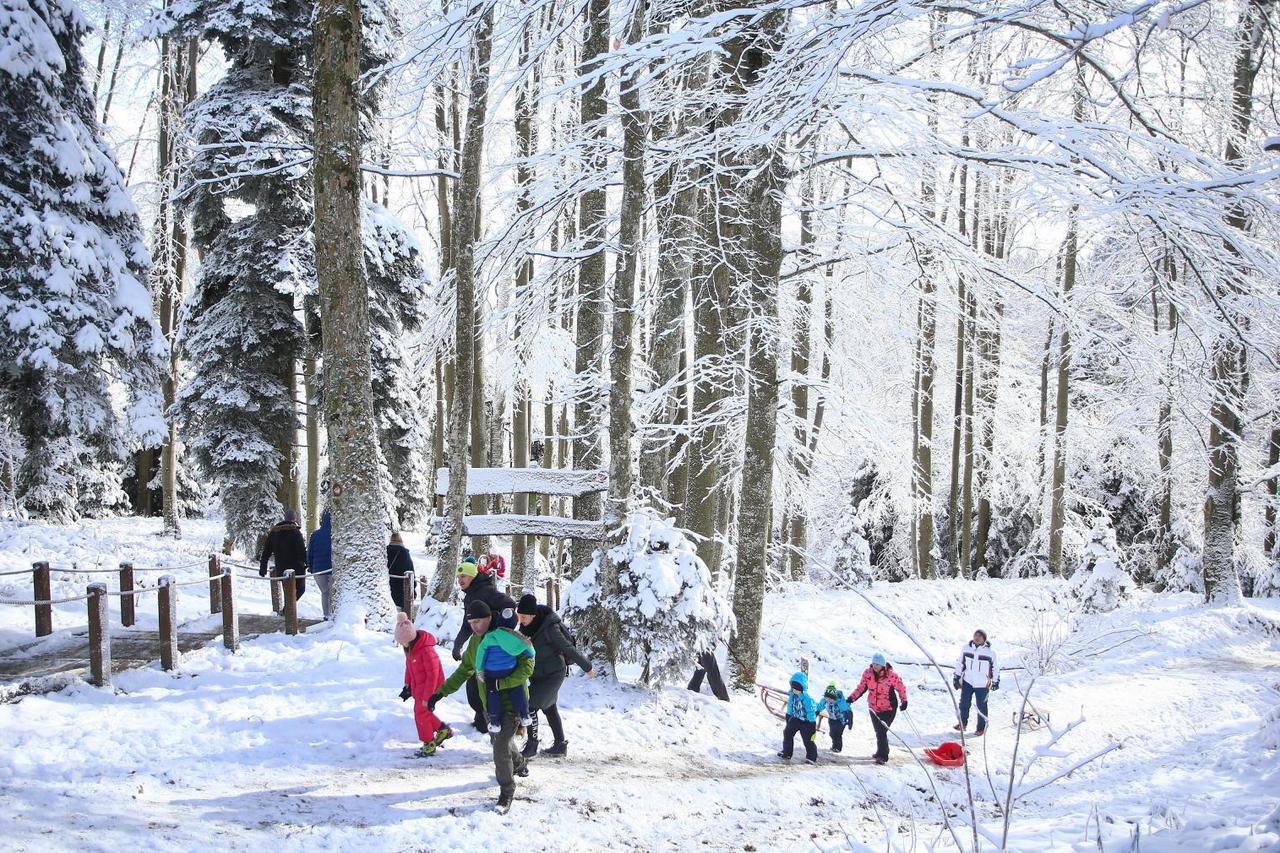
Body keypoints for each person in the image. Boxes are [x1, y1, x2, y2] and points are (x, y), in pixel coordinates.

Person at [430, 598, 534, 814]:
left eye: (479, 621)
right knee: (500, 741)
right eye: (471, 622)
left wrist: (502, 683)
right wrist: (440, 693)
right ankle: (521, 762)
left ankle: (507, 791)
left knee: (499, 748)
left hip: (513, 701)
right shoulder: (476, 644)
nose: (475, 626)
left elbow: (528, 665)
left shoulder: (507, 635)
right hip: (490, 704)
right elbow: (464, 670)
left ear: (489, 618)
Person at [515, 593, 595, 758]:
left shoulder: (550, 627)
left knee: (529, 706)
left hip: (553, 674)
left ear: (533, 614)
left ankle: (532, 745)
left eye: (523, 616)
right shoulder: (525, 627)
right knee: (549, 708)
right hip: (537, 674)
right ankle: (560, 745)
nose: (520, 620)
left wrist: (587, 667)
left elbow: (567, 648)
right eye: (519, 616)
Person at [453, 560, 509, 730]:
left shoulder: (485, 591)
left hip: (493, 646)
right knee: (475, 680)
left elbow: (509, 604)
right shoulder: (471, 594)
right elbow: (467, 623)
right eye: (458, 577)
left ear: (472, 576)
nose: (460, 580)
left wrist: (496, 629)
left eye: (464, 576)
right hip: (480, 643)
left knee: (484, 681)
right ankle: (481, 718)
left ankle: (492, 720)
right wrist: (458, 644)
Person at [395, 612, 452, 757]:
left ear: (409, 639)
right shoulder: (410, 649)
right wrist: (407, 685)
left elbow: (433, 675)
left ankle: (429, 743)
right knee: (423, 712)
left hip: (431, 687)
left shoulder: (426, 650)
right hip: (419, 685)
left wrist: (428, 696)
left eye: (403, 642)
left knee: (420, 713)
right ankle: (442, 729)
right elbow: (409, 667)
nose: (402, 645)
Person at [476, 603, 535, 733]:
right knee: (517, 689)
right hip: (509, 669)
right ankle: (524, 715)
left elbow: (481, 653)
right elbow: (530, 653)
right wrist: (528, 647)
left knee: (492, 695)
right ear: (514, 623)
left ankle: (495, 722)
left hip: (492, 672)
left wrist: (479, 669)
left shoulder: (490, 636)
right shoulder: (516, 637)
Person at [848, 652, 908, 765]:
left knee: (882, 731)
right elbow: (861, 687)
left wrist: (904, 700)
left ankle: (883, 756)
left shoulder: (891, 676)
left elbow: (901, 688)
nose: (875, 666)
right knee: (879, 731)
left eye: (877, 664)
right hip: (873, 708)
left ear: (883, 665)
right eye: (873, 663)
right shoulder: (868, 674)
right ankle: (880, 751)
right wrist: (852, 698)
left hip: (889, 708)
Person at [953, 629, 999, 737]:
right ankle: (962, 724)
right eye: (975, 635)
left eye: (979, 636)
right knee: (964, 704)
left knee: (981, 706)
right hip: (968, 681)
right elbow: (960, 663)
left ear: (984, 639)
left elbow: (995, 668)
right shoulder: (966, 649)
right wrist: (956, 677)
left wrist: (996, 681)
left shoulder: (990, 653)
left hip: (982, 684)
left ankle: (980, 728)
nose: (977, 638)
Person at [259, 509, 307, 599]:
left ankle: (286, 610)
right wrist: (307, 563)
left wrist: (263, 567)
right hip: (297, 569)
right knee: (300, 590)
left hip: (281, 568)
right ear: (294, 519)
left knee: (288, 591)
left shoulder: (274, 533)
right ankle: (286, 611)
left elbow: (266, 551)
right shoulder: (295, 532)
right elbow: (302, 550)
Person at [777, 671, 819, 764]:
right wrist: (788, 715)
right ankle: (787, 752)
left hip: (807, 722)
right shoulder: (792, 695)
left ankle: (811, 757)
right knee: (787, 733)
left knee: (808, 740)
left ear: (802, 688)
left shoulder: (808, 699)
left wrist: (812, 723)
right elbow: (790, 706)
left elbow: (811, 712)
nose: (795, 690)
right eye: (794, 688)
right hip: (796, 719)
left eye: (798, 689)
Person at [307, 511, 333, 618]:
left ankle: (326, 615)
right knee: (332, 593)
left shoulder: (315, 535)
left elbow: (310, 553)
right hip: (332, 569)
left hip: (318, 569)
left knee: (324, 592)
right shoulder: (335, 533)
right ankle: (333, 614)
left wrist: (311, 567)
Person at [818, 681, 853, 753]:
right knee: (832, 733)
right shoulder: (825, 700)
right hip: (832, 719)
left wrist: (850, 720)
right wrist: (815, 712)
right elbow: (819, 707)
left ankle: (838, 748)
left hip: (841, 720)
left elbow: (848, 710)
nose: (829, 700)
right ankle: (834, 746)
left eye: (831, 699)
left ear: (835, 698)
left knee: (838, 734)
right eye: (827, 698)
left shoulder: (840, 702)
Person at [388, 532, 415, 611]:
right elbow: (410, 570)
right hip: (401, 591)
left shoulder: (384, 551)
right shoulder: (404, 553)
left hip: (386, 590)